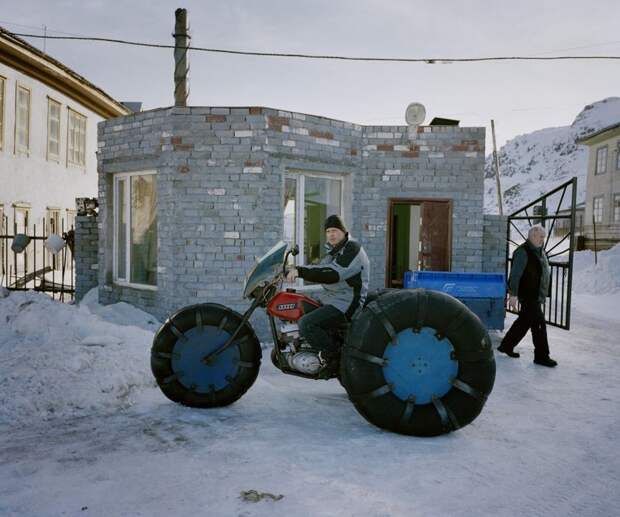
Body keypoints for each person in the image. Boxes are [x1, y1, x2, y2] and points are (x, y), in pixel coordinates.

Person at [286, 215, 369, 366]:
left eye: (335, 230)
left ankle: (336, 359)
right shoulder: (335, 250)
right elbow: (320, 268)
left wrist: (301, 272)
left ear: (344, 232)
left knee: (307, 324)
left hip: (347, 303)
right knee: (301, 308)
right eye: (328, 231)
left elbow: (333, 274)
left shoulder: (352, 248)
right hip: (332, 299)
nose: (331, 234)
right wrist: (293, 269)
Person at [497, 224, 557, 367]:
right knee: (539, 324)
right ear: (532, 236)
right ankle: (541, 356)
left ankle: (506, 345)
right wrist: (513, 294)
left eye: (544, 236)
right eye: (541, 236)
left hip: (536, 294)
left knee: (524, 322)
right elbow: (516, 274)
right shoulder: (522, 252)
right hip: (529, 294)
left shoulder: (539, 251)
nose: (543, 239)